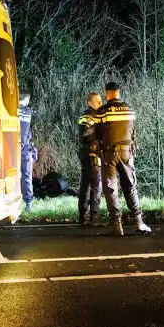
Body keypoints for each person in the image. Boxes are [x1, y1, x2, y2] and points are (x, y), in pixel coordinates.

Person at [96, 81, 152, 236]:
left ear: (107, 94)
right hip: (127, 153)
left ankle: (117, 225)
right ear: (118, 93)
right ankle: (139, 221)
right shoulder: (129, 110)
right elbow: (133, 132)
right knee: (130, 186)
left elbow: (96, 134)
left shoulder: (102, 111)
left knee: (111, 188)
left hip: (109, 154)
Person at [78, 92, 103, 226]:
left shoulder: (88, 115)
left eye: (101, 101)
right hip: (91, 153)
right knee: (95, 185)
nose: (101, 103)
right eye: (98, 101)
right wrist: (98, 128)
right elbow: (84, 133)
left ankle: (84, 216)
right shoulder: (89, 116)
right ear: (89, 103)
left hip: (87, 153)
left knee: (86, 185)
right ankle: (94, 217)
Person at [19, 92, 36, 212]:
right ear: (27, 99)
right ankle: (28, 203)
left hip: (11, 149)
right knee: (26, 176)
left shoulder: (11, 111)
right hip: (25, 149)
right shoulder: (28, 111)